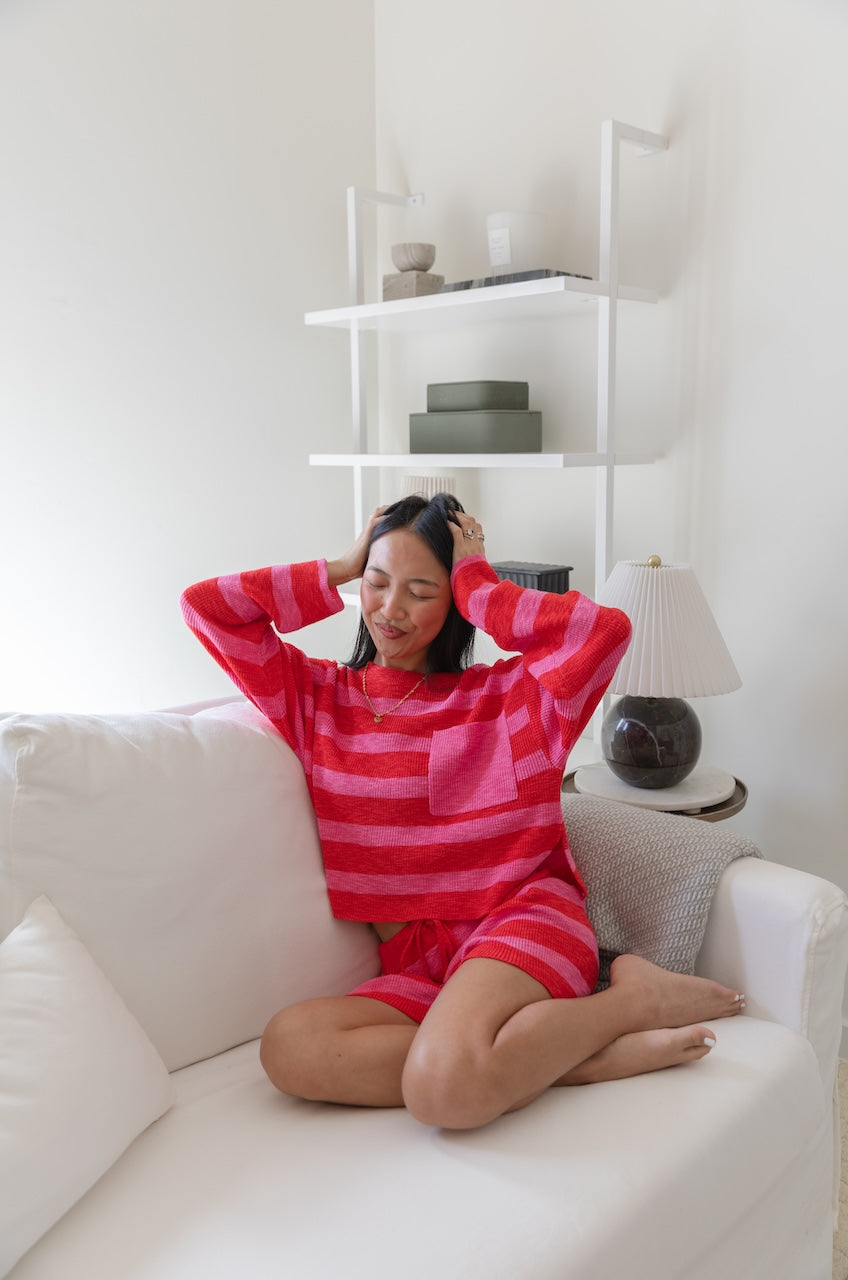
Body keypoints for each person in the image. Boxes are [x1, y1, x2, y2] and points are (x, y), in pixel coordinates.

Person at [181, 493, 744, 1130]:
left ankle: (632, 1000)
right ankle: (566, 1058)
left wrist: (478, 580)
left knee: (443, 1092)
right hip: (422, 968)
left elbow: (603, 632)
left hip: (522, 925)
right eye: (377, 582)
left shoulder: (517, 698)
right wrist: (339, 566)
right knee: (290, 1048)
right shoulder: (315, 698)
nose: (390, 610)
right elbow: (207, 609)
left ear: (452, 603)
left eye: (421, 590)